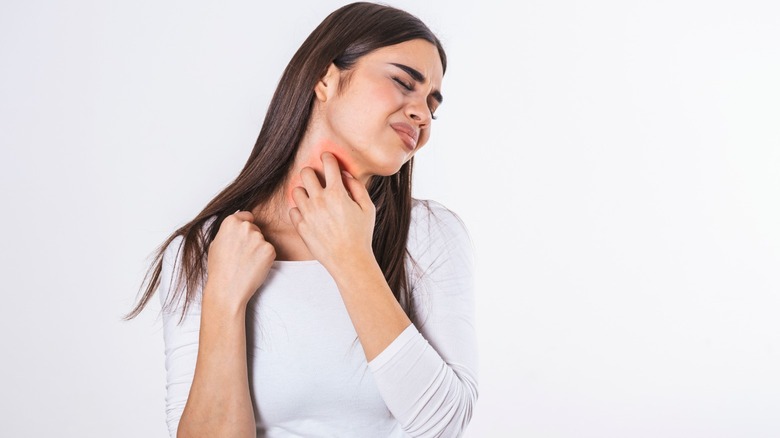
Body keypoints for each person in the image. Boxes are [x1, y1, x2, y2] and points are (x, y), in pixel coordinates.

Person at [124, 2, 478, 437]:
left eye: (432, 106)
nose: (421, 114)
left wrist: (351, 258)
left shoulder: (428, 234)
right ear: (325, 78)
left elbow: (444, 422)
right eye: (404, 83)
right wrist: (224, 301)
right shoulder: (209, 248)